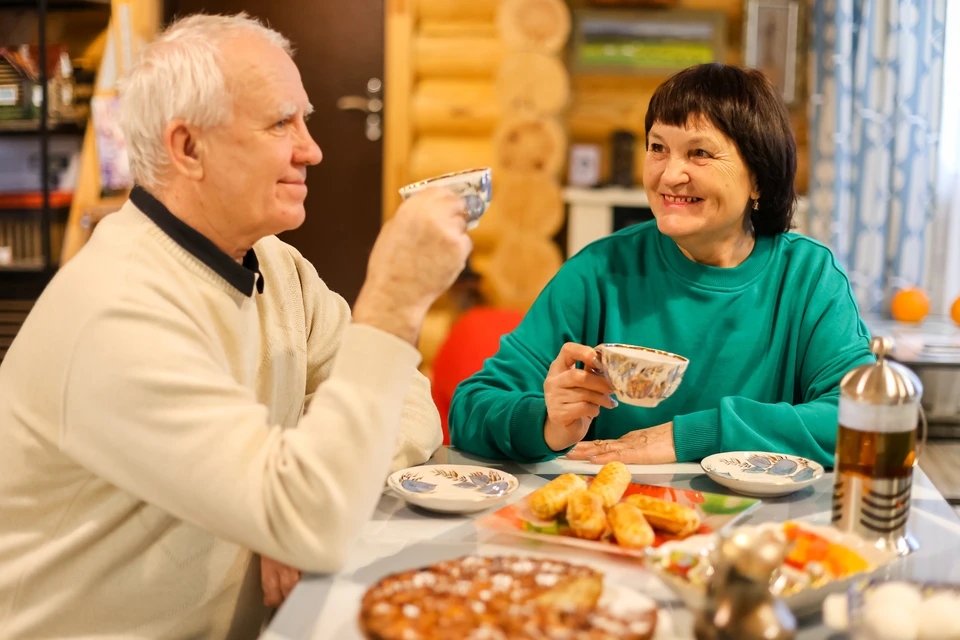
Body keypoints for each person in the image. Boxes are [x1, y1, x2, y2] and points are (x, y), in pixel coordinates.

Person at [0, 13, 471, 639]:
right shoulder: (120, 311)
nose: (313, 149)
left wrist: (293, 503)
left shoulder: (277, 264)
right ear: (188, 148)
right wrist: (393, 299)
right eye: (281, 123)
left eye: (306, 120)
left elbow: (407, 401)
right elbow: (314, 512)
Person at [449, 63, 874, 468]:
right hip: (616, 523)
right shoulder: (600, 270)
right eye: (658, 148)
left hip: (757, 531)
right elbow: (470, 409)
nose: (670, 175)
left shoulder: (807, 277)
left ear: (759, 178)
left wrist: (695, 435)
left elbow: (861, 418)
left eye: (700, 153)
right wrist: (547, 422)